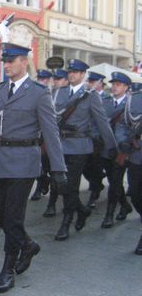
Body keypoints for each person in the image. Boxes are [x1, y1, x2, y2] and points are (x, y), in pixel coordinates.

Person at [0, 43, 67, 293]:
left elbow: (51, 132)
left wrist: (58, 168)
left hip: (24, 162)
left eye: (11, 61)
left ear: (23, 62)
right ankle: (27, 244)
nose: (6, 65)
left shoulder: (38, 93)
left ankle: (7, 269)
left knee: (13, 217)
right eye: (4, 61)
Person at [52, 59, 117, 241]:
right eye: (69, 71)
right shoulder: (59, 93)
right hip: (59, 146)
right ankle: (82, 210)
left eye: (75, 72)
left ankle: (66, 222)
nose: (71, 74)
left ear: (83, 75)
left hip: (79, 147)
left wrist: (111, 145)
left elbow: (102, 121)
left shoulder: (91, 95)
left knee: (70, 185)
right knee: (60, 185)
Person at [100, 72, 133, 228]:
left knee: (115, 181)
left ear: (126, 87)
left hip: (122, 150)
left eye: (118, 84)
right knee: (114, 181)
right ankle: (125, 205)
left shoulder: (131, 103)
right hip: (106, 148)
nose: (114, 87)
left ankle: (109, 215)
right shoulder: (104, 101)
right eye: (113, 84)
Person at [117, 86, 142, 253]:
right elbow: (123, 123)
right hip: (137, 154)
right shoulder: (135, 98)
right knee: (135, 194)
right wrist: (122, 140)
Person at [43, 68, 71, 218]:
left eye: (59, 79)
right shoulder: (48, 93)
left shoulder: (71, 96)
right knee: (48, 171)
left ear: (66, 81)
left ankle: (53, 204)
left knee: (58, 174)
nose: (55, 81)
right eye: (55, 79)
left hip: (67, 142)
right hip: (49, 141)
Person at [83, 71, 109, 208]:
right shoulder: (85, 97)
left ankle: (93, 195)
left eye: (92, 82)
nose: (89, 84)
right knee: (85, 168)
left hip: (99, 141)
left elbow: (104, 121)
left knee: (96, 166)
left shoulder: (107, 99)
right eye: (89, 81)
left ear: (100, 83)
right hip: (86, 139)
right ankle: (97, 183)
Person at [30, 69, 54, 202]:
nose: (41, 81)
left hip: (48, 136)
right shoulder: (35, 93)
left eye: (44, 79)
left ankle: (42, 184)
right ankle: (42, 182)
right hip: (36, 135)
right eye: (39, 78)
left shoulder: (53, 94)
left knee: (45, 164)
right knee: (38, 163)